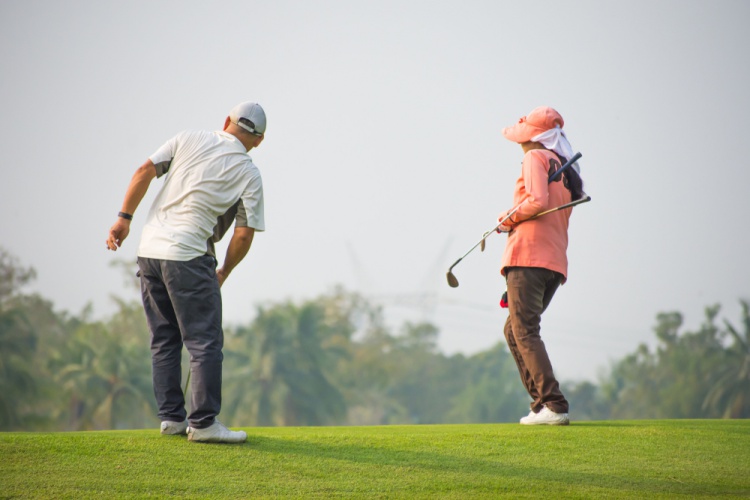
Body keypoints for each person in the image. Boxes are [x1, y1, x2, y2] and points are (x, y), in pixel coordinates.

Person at [105, 101, 267, 443]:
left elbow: (143, 171)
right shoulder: (249, 173)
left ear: (227, 121)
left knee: (164, 338)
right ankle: (204, 424)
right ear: (260, 140)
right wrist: (224, 270)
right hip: (189, 256)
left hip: (149, 252)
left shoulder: (188, 137)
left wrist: (124, 218)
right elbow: (243, 232)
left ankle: (172, 419)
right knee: (204, 341)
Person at [497, 106, 584, 426]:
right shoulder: (564, 167)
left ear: (534, 137)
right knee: (514, 330)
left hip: (528, 258)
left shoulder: (536, 159)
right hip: (553, 263)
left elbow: (536, 201)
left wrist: (508, 218)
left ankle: (553, 404)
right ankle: (540, 405)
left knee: (525, 331)